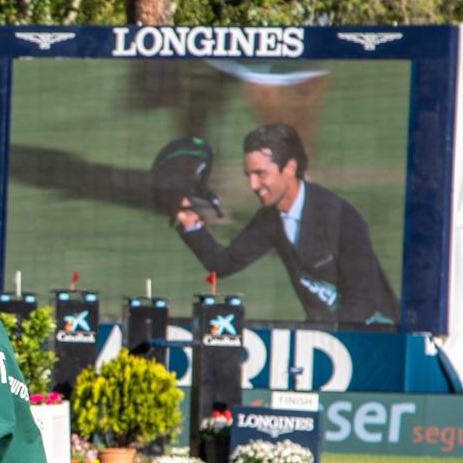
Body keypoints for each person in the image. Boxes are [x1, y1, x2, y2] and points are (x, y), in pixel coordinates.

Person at [171, 122, 398, 327]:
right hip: (325, 337)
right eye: (248, 175)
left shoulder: (339, 216)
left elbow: (364, 298)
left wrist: (323, 335)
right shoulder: (271, 218)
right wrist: (191, 223)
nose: (252, 184)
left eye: (260, 174)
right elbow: (223, 264)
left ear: (289, 167)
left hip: (376, 336)